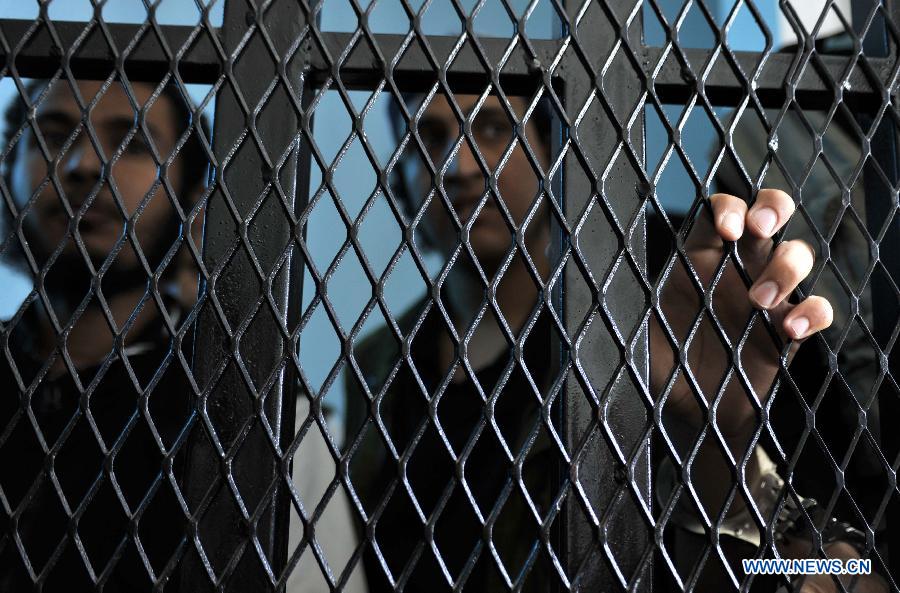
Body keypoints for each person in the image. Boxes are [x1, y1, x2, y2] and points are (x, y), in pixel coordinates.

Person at [346, 90, 886, 592]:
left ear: (550, 153)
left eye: (492, 129)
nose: (458, 167)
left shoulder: (671, 284)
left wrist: (722, 433)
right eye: (429, 138)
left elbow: (834, 560)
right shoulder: (377, 365)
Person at [0, 78, 207, 591]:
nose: (84, 165)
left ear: (191, 199)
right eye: (52, 136)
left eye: (133, 143)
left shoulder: (256, 416)